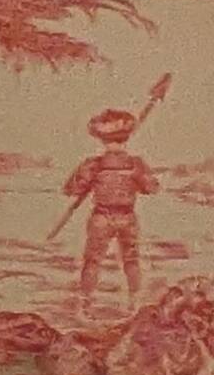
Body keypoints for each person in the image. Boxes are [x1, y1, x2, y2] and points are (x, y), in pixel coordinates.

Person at [66, 107, 162, 304]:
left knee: (92, 261)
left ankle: (85, 302)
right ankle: (134, 302)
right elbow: (152, 188)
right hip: (127, 217)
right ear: (126, 138)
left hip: (101, 218)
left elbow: (72, 189)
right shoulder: (136, 164)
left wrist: (88, 181)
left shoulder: (93, 164)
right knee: (131, 261)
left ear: (101, 139)